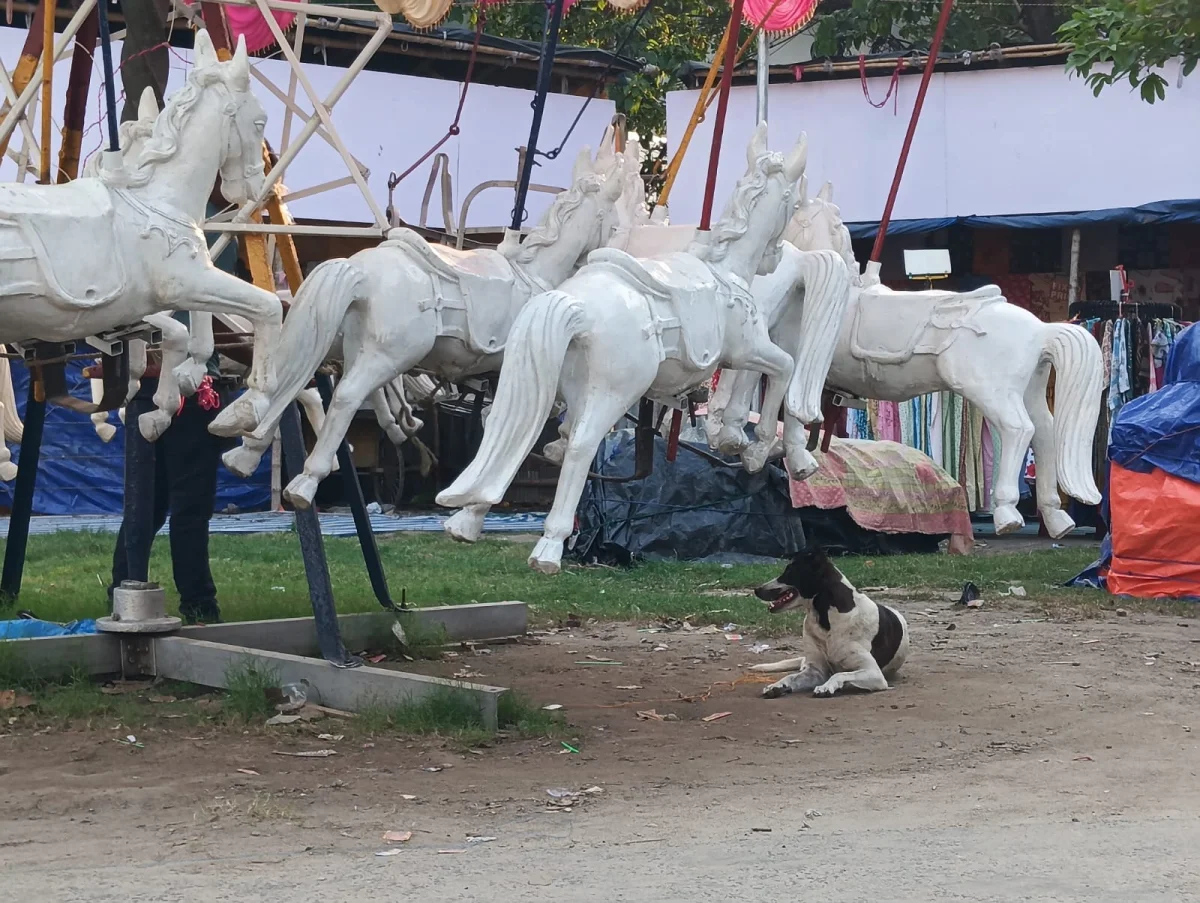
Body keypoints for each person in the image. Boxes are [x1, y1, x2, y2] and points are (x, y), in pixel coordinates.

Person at [103, 195, 240, 625]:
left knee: (148, 505)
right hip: (191, 390)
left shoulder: (139, 223)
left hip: (144, 387)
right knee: (188, 508)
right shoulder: (214, 230)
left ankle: (123, 591)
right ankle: (199, 604)